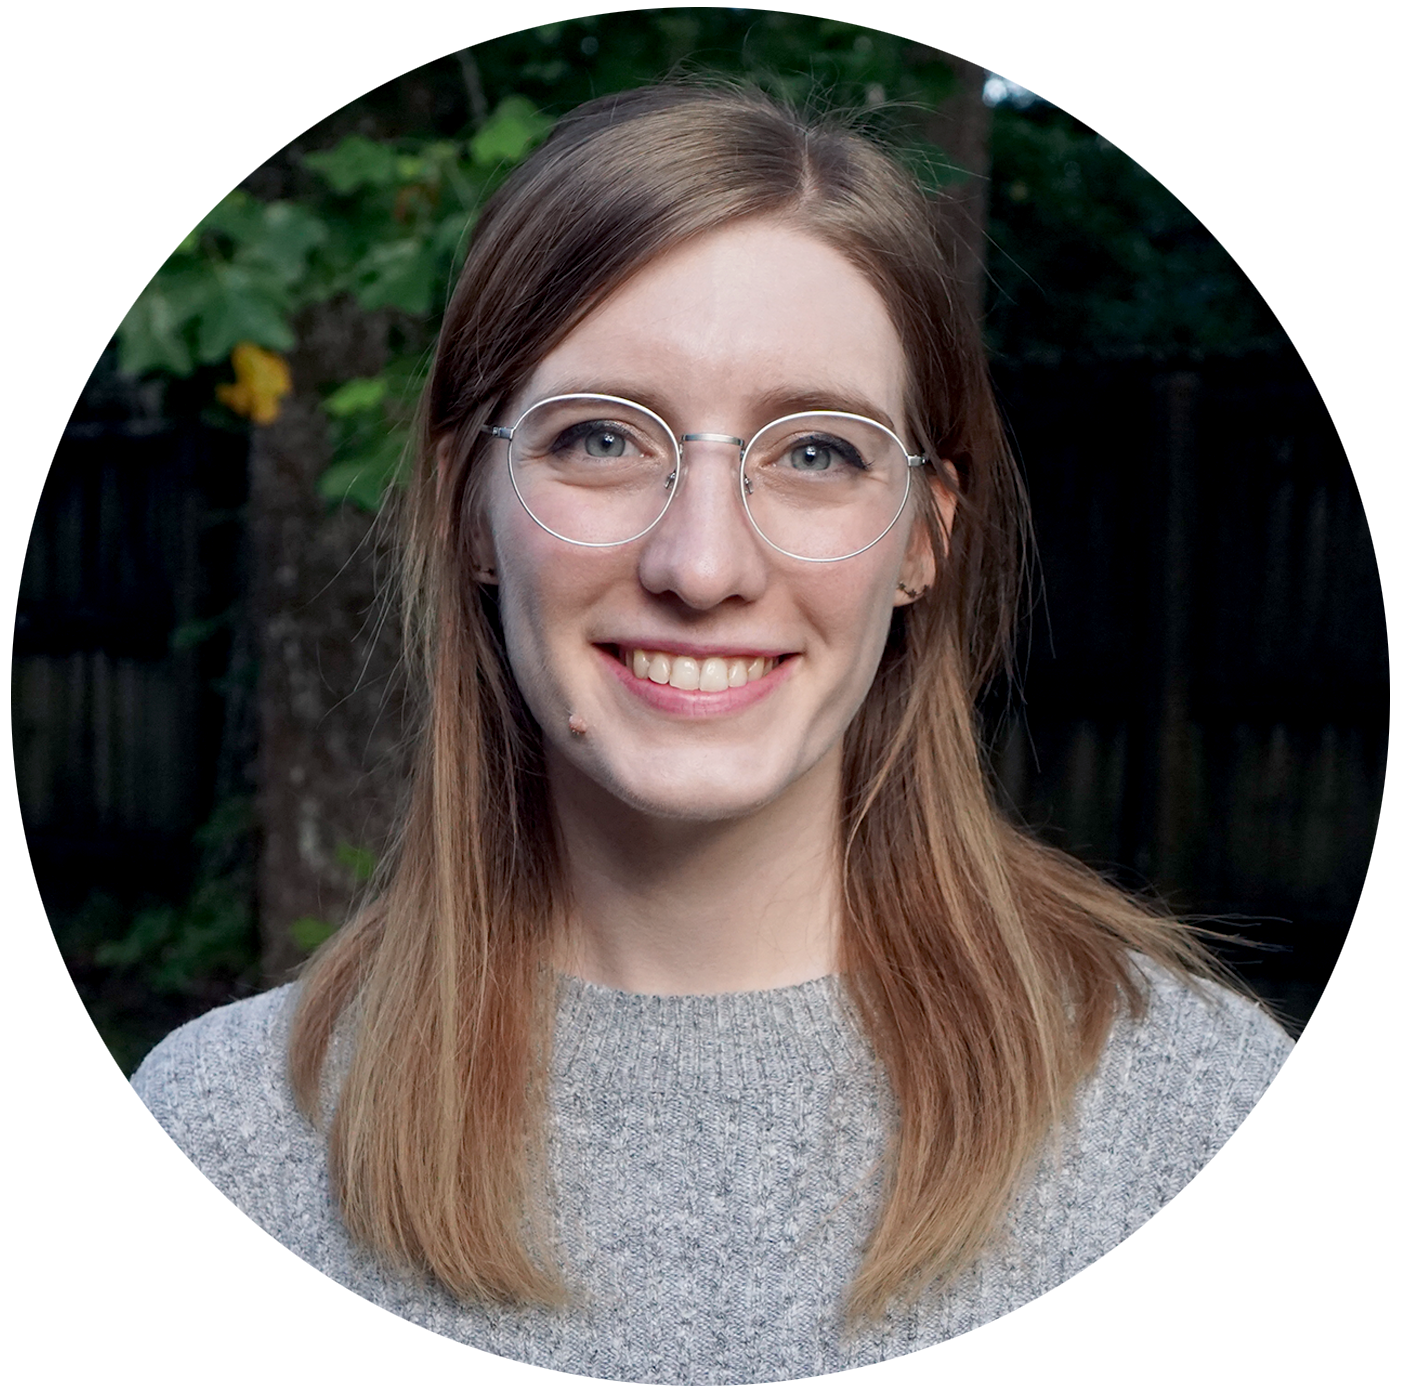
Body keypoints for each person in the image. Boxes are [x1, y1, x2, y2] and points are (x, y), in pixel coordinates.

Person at [54, 84, 1387, 1386]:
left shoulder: (1201, 1122)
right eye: (599, 438)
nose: (703, 562)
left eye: (816, 453)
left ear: (925, 536)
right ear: (469, 505)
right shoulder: (221, 1151)